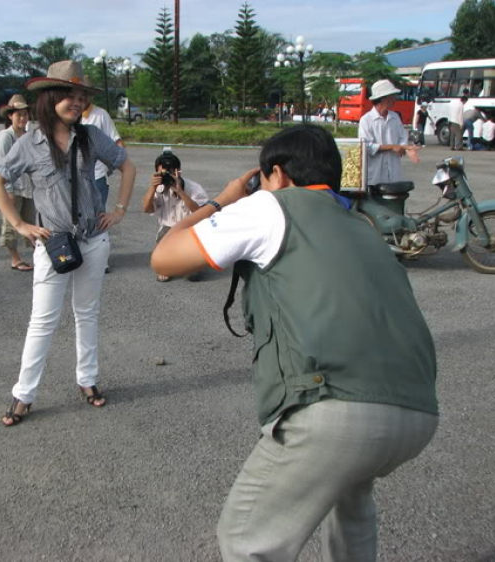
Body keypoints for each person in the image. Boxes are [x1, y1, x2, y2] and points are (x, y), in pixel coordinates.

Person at [151, 125, 439, 562]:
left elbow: (165, 258)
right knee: (351, 503)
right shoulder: (360, 223)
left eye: (264, 179)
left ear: (279, 175)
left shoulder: (271, 205)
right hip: (415, 412)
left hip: (334, 410)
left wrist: (224, 200)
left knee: (248, 540)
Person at [0, 60, 136, 426]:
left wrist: (118, 209)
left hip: (94, 239)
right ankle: (24, 394)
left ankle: (88, 380)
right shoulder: (29, 143)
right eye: (69, 94)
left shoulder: (89, 136)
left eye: (81, 96)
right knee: (43, 320)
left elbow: (127, 166)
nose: (76, 101)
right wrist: (20, 224)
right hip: (54, 244)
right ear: (51, 96)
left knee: (87, 314)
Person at [141, 149, 208, 282]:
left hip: (191, 230)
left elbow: (201, 213)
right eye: (163, 173)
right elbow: (147, 209)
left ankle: (194, 260)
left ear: (178, 171)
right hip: (168, 229)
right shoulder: (157, 188)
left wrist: (180, 191)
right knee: (164, 263)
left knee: (193, 276)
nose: (167, 176)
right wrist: (152, 188)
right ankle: (169, 262)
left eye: (170, 173)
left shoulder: (193, 188)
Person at [81, 96, 124, 273]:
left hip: (97, 174)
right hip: (77, 176)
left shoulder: (100, 115)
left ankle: (101, 260)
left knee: (98, 216)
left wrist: (117, 164)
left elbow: (117, 141)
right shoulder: (68, 117)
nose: (77, 100)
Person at [0, 94, 35, 272]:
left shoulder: (29, 135)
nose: (22, 118)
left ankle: (39, 255)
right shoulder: (6, 136)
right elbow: (1, 164)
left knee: (32, 221)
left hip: (29, 188)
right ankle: (15, 258)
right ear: (10, 116)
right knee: (12, 224)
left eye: (25, 114)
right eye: (18, 114)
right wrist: (8, 190)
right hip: (13, 188)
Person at [358, 80, 419, 187]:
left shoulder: (395, 117)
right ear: (383, 98)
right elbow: (366, 146)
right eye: (392, 96)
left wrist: (406, 148)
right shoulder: (366, 120)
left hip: (394, 172)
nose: (394, 99)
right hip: (375, 174)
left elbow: (402, 137)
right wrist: (391, 147)